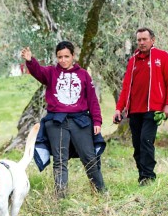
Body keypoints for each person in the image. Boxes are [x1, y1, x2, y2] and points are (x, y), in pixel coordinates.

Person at [21, 41, 106, 198]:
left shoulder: (83, 75)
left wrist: (97, 121)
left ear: (73, 56)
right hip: (57, 122)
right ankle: (60, 197)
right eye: (60, 57)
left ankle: (101, 193)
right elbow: (38, 71)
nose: (63, 60)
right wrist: (30, 60)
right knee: (60, 160)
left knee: (89, 157)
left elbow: (92, 100)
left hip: (80, 121)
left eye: (67, 56)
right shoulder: (51, 73)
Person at [113, 27, 168, 186]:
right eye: (139, 40)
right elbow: (126, 86)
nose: (141, 43)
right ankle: (142, 176)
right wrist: (118, 109)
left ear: (152, 40)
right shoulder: (133, 60)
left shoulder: (162, 57)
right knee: (137, 146)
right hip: (134, 111)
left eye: (144, 39)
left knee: (146, 141)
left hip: (153, 109)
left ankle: (149, 177)